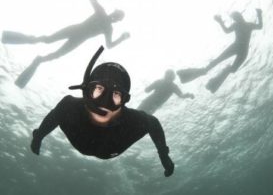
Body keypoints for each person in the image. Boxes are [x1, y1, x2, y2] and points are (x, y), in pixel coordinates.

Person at [30, 46, 174, 177]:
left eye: (116, 94)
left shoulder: (133, 122)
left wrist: (163, 154)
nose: (105, 103)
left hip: (106, 149)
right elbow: (55, 115)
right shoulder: (68, 106)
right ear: (86, 90)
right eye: (98, 89)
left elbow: (153, 123)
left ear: (125, 99)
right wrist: (39, 135)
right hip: (108, 149)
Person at [2, 0, 130, 88]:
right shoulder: (102, 14)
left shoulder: (108, 28)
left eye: (117, 16)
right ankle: (29, 46)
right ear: (113, 13)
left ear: (117, 20)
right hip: (74, 30)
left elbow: (109, 45)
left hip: (78, 38)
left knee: (55, 53)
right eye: (116, 14)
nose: (114, 16)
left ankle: (38, 60)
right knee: (47, 40)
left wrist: (121, 39)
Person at [177, 9, 263, 83]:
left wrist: (259, 14)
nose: (237, 18)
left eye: (236, 16)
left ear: (240, 15)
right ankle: (202, 71)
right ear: (235, 19)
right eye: (235, 18)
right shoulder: (238, 25)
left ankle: (218, 73)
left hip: (242, 49)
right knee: (218, 61)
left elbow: (259, 26)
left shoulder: (247, 25)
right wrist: (220, 21)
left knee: (233, 69)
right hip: (237, 47)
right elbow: (227, 31)